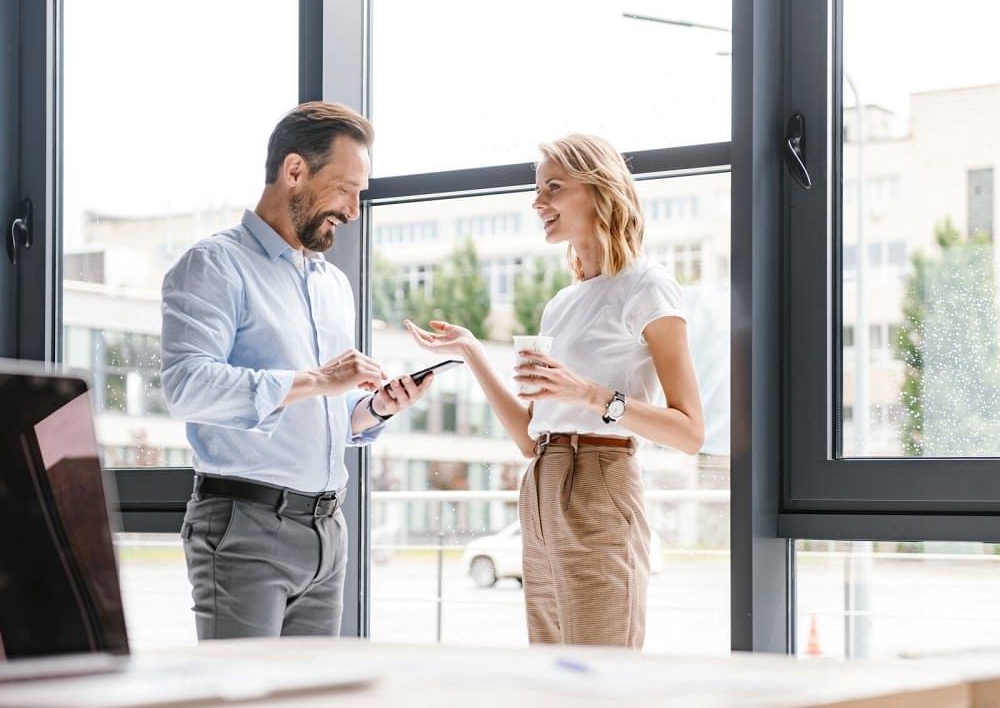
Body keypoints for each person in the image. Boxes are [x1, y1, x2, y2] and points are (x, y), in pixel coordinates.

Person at [405, 133, 704, 648]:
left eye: (554, 187)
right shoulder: (560, 305)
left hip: (601, 480)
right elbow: (528, 436)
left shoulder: (647, 285)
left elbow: (690, 432)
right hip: (541, 481)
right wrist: (473, 351)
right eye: (537, 189)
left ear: (599, 189)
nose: (537, 202)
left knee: (601, 668)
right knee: (552, 671)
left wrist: (591, 394)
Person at [161, 102, 433, 639]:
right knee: (243, 700)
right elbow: (185, 387)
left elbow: (317, 414)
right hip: (245, 528)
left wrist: (373, 408)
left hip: (327, 533)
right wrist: (319, 380)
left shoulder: (333, 285)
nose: (354, 210)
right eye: (345, 189)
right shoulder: (214, 265)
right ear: (294, 171)